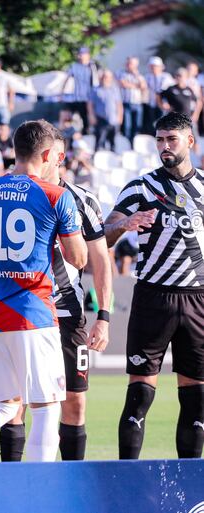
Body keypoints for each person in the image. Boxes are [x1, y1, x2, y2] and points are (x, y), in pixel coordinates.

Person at [0, 120, 87, 463]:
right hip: (34, 314)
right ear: (44, 154)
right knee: (46, 406)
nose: (58, 161)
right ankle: (40, 488)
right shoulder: (56, 195)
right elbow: (79, 258)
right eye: (55, 156)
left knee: (2, 405)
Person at [0, 131, 113, 462]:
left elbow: (100, 260)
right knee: (15, 403)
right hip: (23, 315)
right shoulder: (5, 194)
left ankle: (70, 481)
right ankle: (13, 482)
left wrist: (103, 316)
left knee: (74, 404)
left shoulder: (82, 199)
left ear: (56, 158)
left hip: (67, 315)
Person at [103, 112, 204, 460]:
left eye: (171, 140)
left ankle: (191, 489)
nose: (164, 147)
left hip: (198, 301)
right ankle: (126, 480)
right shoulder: (140, 187)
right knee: (140, 395)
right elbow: (105, 235)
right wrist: (126, 223)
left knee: (196, 400)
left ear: (189, 141)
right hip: (153, 296)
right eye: (159, 140)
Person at [64, 47, 99, 130]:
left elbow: (97, 81)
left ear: (88, 55)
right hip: (77, 98)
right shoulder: (74, 66)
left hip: (89, 98)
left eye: (82, 54)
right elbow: (66, 79)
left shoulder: (93, 66)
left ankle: (87, 132)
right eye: (79, 54)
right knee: (73, 119)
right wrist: (63, 92)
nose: (80, 56)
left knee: (88, 118)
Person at [88, 70, 123, 151]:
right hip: (100, 119)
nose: (104, 78)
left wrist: (120, 117)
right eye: (103, 76)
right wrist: (91, 116)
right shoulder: (95, 89)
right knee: (99, 142)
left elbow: (119, 104)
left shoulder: (115, 89)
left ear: (110, 78)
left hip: (113, 120)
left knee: (113, 143)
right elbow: (90, 104)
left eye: (106, 77)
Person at [119, 57, 148, 142]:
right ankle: (127, 143)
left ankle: (135, 143)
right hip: (126, 103)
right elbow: (123, 84)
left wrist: (136, 75)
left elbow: (143, 86)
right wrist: (136, 86)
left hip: (137, 103)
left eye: (130, 63)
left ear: (135, 65)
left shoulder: (139, 76)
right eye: (127, 63)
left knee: (137, 125)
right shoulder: (122, 73)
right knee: (127, 126)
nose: (128, 65)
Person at [145, 56, 174, 134]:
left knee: (163, 124)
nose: (153, 68)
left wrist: (166, 103)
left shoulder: (166, 77)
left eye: (155, 66)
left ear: (160, 67)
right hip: (152, 104)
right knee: (153, 124)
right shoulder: (148, 76)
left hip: (163, 105)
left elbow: (167, 91)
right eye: (151, 66)